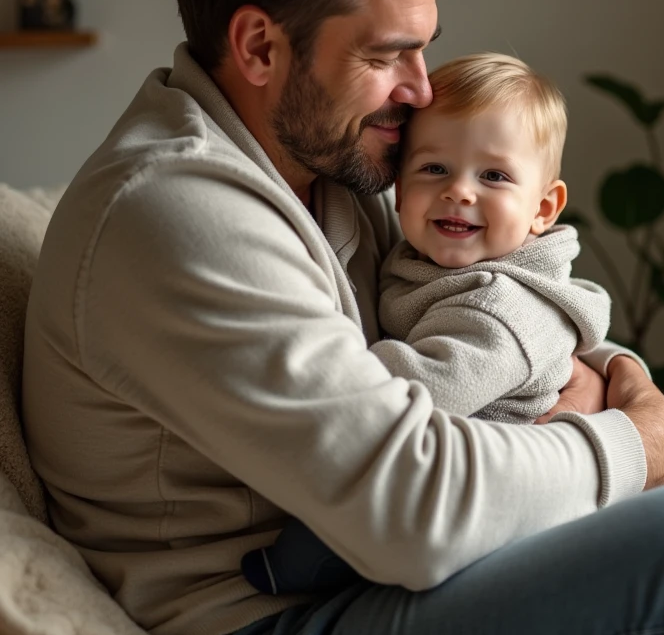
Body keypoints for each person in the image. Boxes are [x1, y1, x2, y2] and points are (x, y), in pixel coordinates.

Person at [22, 0, 664, 635]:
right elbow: (413, 506)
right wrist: (635, 445)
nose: (421, 87)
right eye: (384, 54)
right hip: (266, 632)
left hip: (365, 579)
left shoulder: (335, 162)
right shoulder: (175, 211)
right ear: (260, 47)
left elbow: (508, 286)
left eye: (423, 44)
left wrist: (618, 374)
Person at [240, 52, 613, 595]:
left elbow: (423, 386)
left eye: (494, 175)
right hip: (448, 468)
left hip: (501, 499)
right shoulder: (421, 258)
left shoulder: (502, 306)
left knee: (355, 518)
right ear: (397, 186)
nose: (459, 191)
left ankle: (296, 570)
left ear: (543, 208)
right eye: (434, 168)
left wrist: (346, 366)